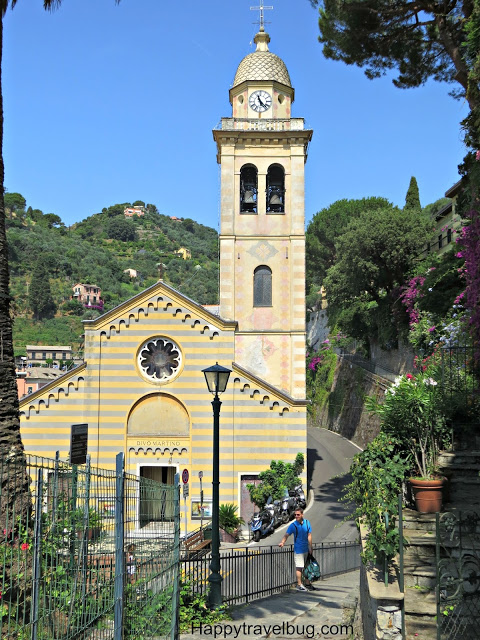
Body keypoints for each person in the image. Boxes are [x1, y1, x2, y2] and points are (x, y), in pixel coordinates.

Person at [278, 507, 316, 591]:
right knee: (299, 567)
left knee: (307, 568)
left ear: (302, 514)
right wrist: (283, 542)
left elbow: (309, 535)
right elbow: (286, 535)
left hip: (306, 549)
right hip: (298, 550)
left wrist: (310, 547)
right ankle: (299, 585)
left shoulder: (307, 523)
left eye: (298, 514)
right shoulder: (293, 525)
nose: (296, 516)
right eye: (295, 515)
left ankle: (307, 584)